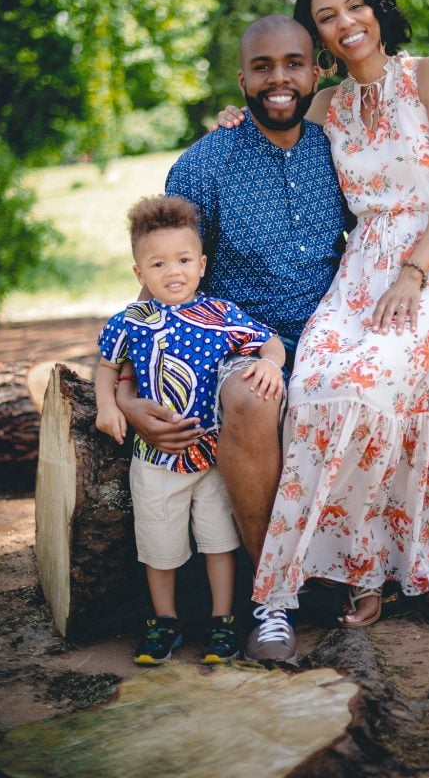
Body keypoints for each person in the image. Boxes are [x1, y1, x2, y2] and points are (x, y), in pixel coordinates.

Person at [114, 12, 429, 664]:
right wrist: (124, 394)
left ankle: (426, 563)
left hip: (342, 325)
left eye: (293, 63)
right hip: (242, 341)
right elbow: (161, 283)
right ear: (242, 80)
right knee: (253, 401)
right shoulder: (203, 167)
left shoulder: (335, 148)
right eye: (262, 67)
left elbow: (395, 218)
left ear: (315, 73)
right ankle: (273, 597)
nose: (278, 79)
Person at [250, 0, 429, 647]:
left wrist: (413, 273)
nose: (345, 23)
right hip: (358, 276)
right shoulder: (326, 107)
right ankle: (375, 573)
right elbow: (273, 120)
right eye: (327, 16)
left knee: (369, 386)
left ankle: (366, 573)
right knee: (317, 387)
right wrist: (240, 114)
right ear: (316, 35)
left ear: (376, 9)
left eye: (354, 7)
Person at [95, 194, 285, 665]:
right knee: (159, 545)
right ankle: (164, 622)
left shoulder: (221, 313)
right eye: (158, 263)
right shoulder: (131, 321)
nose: (172, 271)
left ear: (201, 264)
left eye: (183, 260)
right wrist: (106, 405)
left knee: (219, 542)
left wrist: (273, 366)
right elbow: (105, 365)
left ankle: (223, 621)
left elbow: (269, 341)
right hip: (155, 460)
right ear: (140, 273)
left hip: (213, 457)